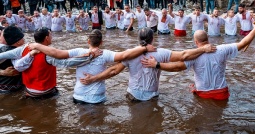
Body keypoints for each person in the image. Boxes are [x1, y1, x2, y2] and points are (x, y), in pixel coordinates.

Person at [79, 28, 217, 102]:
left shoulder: (130, 54)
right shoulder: (161, 53)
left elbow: (113, 71)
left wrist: (93, 78)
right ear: (152, 39)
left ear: (139, 39)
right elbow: (184, 56)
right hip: (152, 95)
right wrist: (203, 49)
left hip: (133, 95)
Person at [140, 24, 255, 100]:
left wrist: (156, 65)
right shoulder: (222, 49)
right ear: (208, 38)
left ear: (195, 42)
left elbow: (177, 67)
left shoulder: (193, 55)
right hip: (222, 92)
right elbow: (243, 43)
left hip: (204, 94)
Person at [28, 29, 156, 104]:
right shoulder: (105, 54)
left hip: (77, 96)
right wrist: (143, 47)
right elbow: (124, 56)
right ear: (101, 42)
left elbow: (57, 54)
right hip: (96, 99)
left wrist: (37, 46)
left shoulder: (78, 51)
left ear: (88, 41)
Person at [0, 27, 99, 98]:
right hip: (44, 93)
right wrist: (90, 57)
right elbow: (67, 63)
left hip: (29, 92)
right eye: (50, 35)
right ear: (47, 38)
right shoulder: (48, 55)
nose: (52, 37)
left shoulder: (23, 49)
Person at [0, 26, 24, 93]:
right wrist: (3, 72)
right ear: (18, 42)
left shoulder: (2, 49)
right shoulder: (18, 52)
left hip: (6, 88)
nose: (24, 40)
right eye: (23, 38)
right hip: (8, 89)